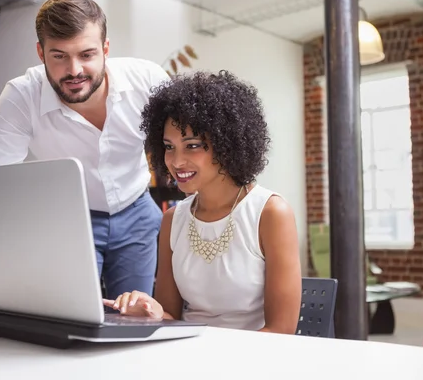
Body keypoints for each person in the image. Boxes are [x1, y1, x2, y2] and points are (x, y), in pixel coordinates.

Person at [0, 0, 168, 327]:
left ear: (106, 50)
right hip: (69, 220)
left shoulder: (148, 81)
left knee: (138, 322)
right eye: (59, 56)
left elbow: (191, 143)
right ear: (40, 52)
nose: (74, 70)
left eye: (87, 54)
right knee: (73, 322)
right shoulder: (22, 95)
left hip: (137, 213)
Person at [103, 71, 302, 334]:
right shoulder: (173, 219)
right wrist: (152, 312)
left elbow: (281, 331)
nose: (176, 161)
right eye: (169, 147)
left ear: (226, 144)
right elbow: (170, 316)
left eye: (192, 145)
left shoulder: (270, 213)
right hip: (188, 357)